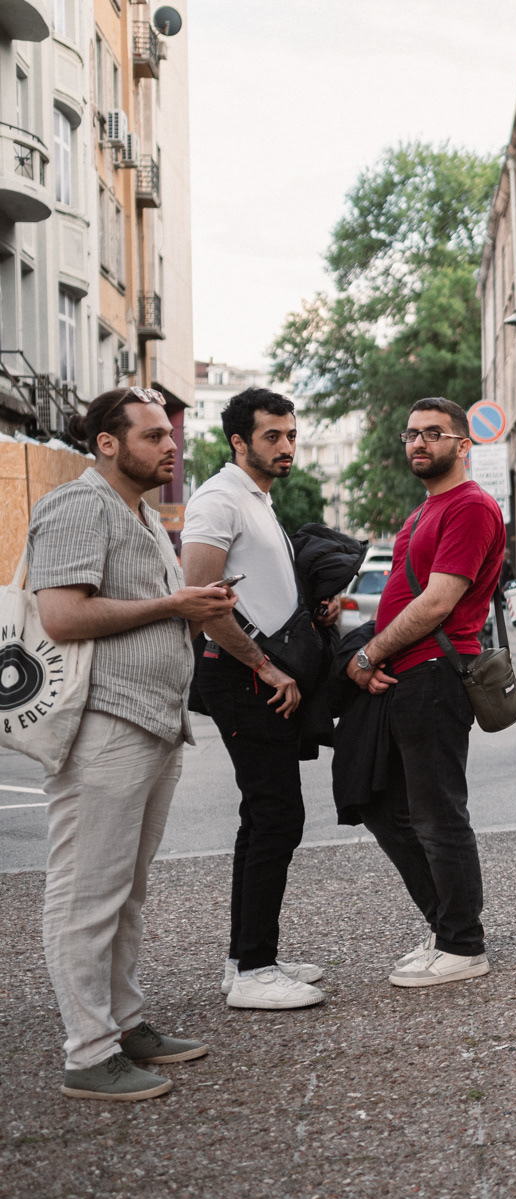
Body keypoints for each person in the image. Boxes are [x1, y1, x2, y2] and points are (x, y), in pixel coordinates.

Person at [31, 387, 238, 1101]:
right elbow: (62, 616)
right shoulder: (76, 505)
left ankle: (124, 1023)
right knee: (86, 893)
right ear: (108, 444)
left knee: (125, 889)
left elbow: (148, 617)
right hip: (104, 724)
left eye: (169, 435)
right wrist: (176, 603)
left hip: (153, 721)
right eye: (153, 435)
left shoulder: (143, 515)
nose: (170, 445)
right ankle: (89, 1052)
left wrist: (195, 610)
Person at [344, 397, 507, 988]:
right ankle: (446, 927)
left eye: (433, 433)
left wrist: (369, 653)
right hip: (405, 676)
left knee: (438, 814)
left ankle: (463, 944)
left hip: (435, 674)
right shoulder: (421, 512)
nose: (418, 442)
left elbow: (438, 602)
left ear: (462, 445)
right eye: (411, 433)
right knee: (383, 807)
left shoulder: (470, 506)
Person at [182, 386, 336, 1011]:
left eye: (291, 434)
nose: (286, 446)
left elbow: (257, 592)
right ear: (239, 441)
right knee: (277, 816)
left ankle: (244, 957)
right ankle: (255, 970)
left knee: (262, 816)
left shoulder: (257, 499)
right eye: (272, 436)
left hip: (258, 673)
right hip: (242, 677)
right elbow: (201, 599)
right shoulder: (219, 498)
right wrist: (266, 668)